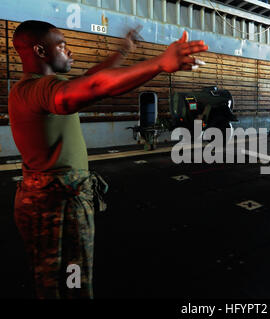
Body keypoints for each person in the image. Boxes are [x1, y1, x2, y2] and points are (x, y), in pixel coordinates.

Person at [8, 20, 208, 299]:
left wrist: (123, 51)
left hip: (54, 199)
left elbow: (93, 76)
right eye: (62, 46)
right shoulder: (36, 90)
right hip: (57, 206)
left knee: (60, 279)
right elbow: (93, 87)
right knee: (69, 282)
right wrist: (159, 63)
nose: (70, 52)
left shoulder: (38, 86)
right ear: (41, 50)